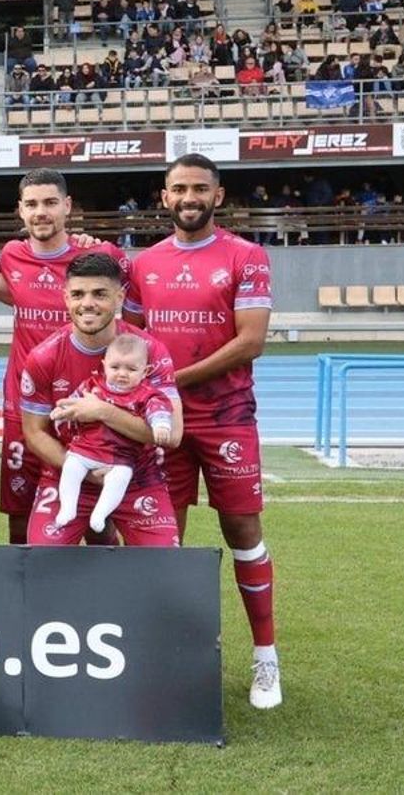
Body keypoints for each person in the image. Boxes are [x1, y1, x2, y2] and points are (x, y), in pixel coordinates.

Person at [125, 153, 282, 709]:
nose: (188, 198)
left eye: (199, 189)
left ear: (218, 196)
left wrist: (170, 378)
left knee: (243, 532)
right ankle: (170, 659)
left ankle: (265, 658)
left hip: (226, 418)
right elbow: (131, 342)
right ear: (163, 197)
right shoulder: (143, 265)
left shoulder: (247, 256)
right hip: (163, 424)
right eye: (178, 189)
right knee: (164, 538)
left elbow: (251, 341)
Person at [0, 169, 127, 545]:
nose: (41, 212)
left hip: (89, 407)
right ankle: (27, 600)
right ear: (20, 211)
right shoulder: (11, 255)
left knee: (98, 522)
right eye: (32, 204)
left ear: (67, 207)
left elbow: (133, 315)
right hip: (26, 410)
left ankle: (100, 600)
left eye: (50, 203)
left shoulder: (100, 257)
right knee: (19, 519)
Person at [19, 252, 182, 547]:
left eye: (100, 294)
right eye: (78, 294)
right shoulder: (43, 357)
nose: (87, 303)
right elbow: (34, 431)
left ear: (120, 297)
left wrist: (102, 411)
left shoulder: (150, 352)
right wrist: (84, 470)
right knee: (42, 564)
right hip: (68, 474)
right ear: (66, 297)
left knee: (165, 567)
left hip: (136, 476)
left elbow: (173, 435)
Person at [53, 334, 175, 531]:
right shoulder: (92, 386)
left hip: (120, 457)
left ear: (145, 371)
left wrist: (161, 425)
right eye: (115, 367)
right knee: (71, 467)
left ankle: (100, 514)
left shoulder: (147, 395)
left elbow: (159, 410)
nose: (122, 374)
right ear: (104, 365)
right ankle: (68, 508)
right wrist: (62, 412)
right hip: (86, 450)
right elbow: (73, 402)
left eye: (131, 369)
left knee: (120, 477)